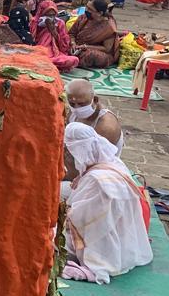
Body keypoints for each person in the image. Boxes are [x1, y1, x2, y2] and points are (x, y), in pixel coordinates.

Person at [62, 123, 153, 284]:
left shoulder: (96, 181)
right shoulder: (114, 162)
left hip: (103, 247)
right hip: (125, 241)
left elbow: (81, 220)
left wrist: (59, 211)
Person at [65, 78, 125, 150]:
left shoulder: (107, 126)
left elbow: (100, 158)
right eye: (72, 104)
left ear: (95, 100)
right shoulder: (72, 111)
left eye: (81, 104)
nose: (76, 108)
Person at [69, 0, 120, 68]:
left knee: (92, 55)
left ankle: (72, 60)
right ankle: (71, 58)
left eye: (90, 9)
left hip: (93, 51)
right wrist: (73, 43)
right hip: (76, 47)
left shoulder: (109, 27)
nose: (86, 10)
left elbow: (106, 48)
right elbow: (71, 33)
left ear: (100, 13)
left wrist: (86, 47)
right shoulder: (83, 17)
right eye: (86, 7)